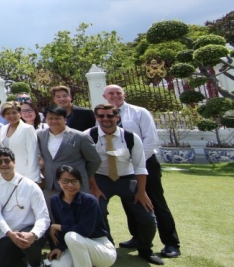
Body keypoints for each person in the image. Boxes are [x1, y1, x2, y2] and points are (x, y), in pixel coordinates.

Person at [104, 85, 180, 259]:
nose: (115, 96)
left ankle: (171, 243)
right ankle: (138, 237)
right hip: (122, 166)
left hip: (145, 163)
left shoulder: (139, 112)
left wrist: (136, 162)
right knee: (130, 202)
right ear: (105, 96)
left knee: (155, 202)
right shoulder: (104, 115)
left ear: (124, 94)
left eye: (118, 93)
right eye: (111, 93)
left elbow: (150, 140)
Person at [88, 104, 163, 265]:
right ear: (96, 118)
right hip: (100, 180)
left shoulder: (130, 137)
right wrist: (94, 188)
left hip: (127, 179)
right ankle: (107, 249)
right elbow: (86, 164)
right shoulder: (88, 135)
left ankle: (145, 249)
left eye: (109, 116)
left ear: (117, 117)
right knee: (97, 211)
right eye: (101, 116)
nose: (105, 119)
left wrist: (141, 192)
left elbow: (140, 166)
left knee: (148, 216)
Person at [0, 147, 50, 267]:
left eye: (7, 160)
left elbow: (43, 217)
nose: (3, 164)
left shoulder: (31, 186)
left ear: (14, 162)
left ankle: (33, 262)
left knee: (28, 241)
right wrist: (9, 233)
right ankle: (19, 254)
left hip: (28, 230)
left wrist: (33, 234)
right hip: (6, 233)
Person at [48, 165, 116, 267]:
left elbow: (84, 230)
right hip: (74, 246)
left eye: (74, 181)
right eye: (65, 181)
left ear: (80, 182)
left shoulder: (89, 200)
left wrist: (57, 226)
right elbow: (61, 233)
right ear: (58, 181)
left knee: (71, 236)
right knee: (56, 265)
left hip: (101, 248)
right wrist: (59, 247)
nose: (70, 185)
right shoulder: (55, 200)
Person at [36, 106, 100, 201]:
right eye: (50, 118)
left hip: (74, 184)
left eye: (58, 118)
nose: (54, 121)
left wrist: (82, 174)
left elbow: (95, 160)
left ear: (65, 119)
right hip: (51, 185)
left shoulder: (80, 137)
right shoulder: (39, 135)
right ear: (45, 120)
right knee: (53, 214)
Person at [0, 102, 41, 183]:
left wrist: (32, 178)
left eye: (14, 112)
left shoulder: (27, 129)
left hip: (25, 174)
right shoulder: (3, 129)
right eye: (8, 113)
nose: (11, 116)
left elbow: (33, 154)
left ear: (20, 113)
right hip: (8, 172)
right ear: (3, 115)